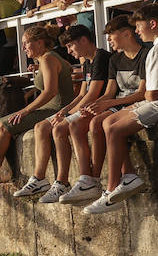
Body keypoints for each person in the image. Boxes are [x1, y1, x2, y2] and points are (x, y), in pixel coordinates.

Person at [0, 25, 73, 186]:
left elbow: (50, 92)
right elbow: (68, 68)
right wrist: (39, 69)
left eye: (26, 43)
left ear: (39, 43)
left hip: (56, 109)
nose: (23, 48)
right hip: (54, 107)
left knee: (3, 124)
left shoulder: (48, 59)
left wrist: (25, 111)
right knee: (2, 124)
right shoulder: (49, 58)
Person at [14, 24, 109, 201]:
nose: (69, 50)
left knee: (59, 128)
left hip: (98, 108)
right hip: (85, 107)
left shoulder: (101, 57)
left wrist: (66, 113)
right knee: (44, 127)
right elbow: (82, 94)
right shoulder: (87, 62)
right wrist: (66, 110)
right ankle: (49, 180)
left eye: (70, 45)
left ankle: (73, 180)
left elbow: (93, 94)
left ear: (83, 40)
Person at [87, 2, 158, 214]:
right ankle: (128, 177)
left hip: (154, 102)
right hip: (151, 100)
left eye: (139, 26)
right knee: (108, 122)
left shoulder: (153, 51)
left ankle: (111, 190)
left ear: (152, 24)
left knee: (114, 128)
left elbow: (152, 94)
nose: (137, 31)